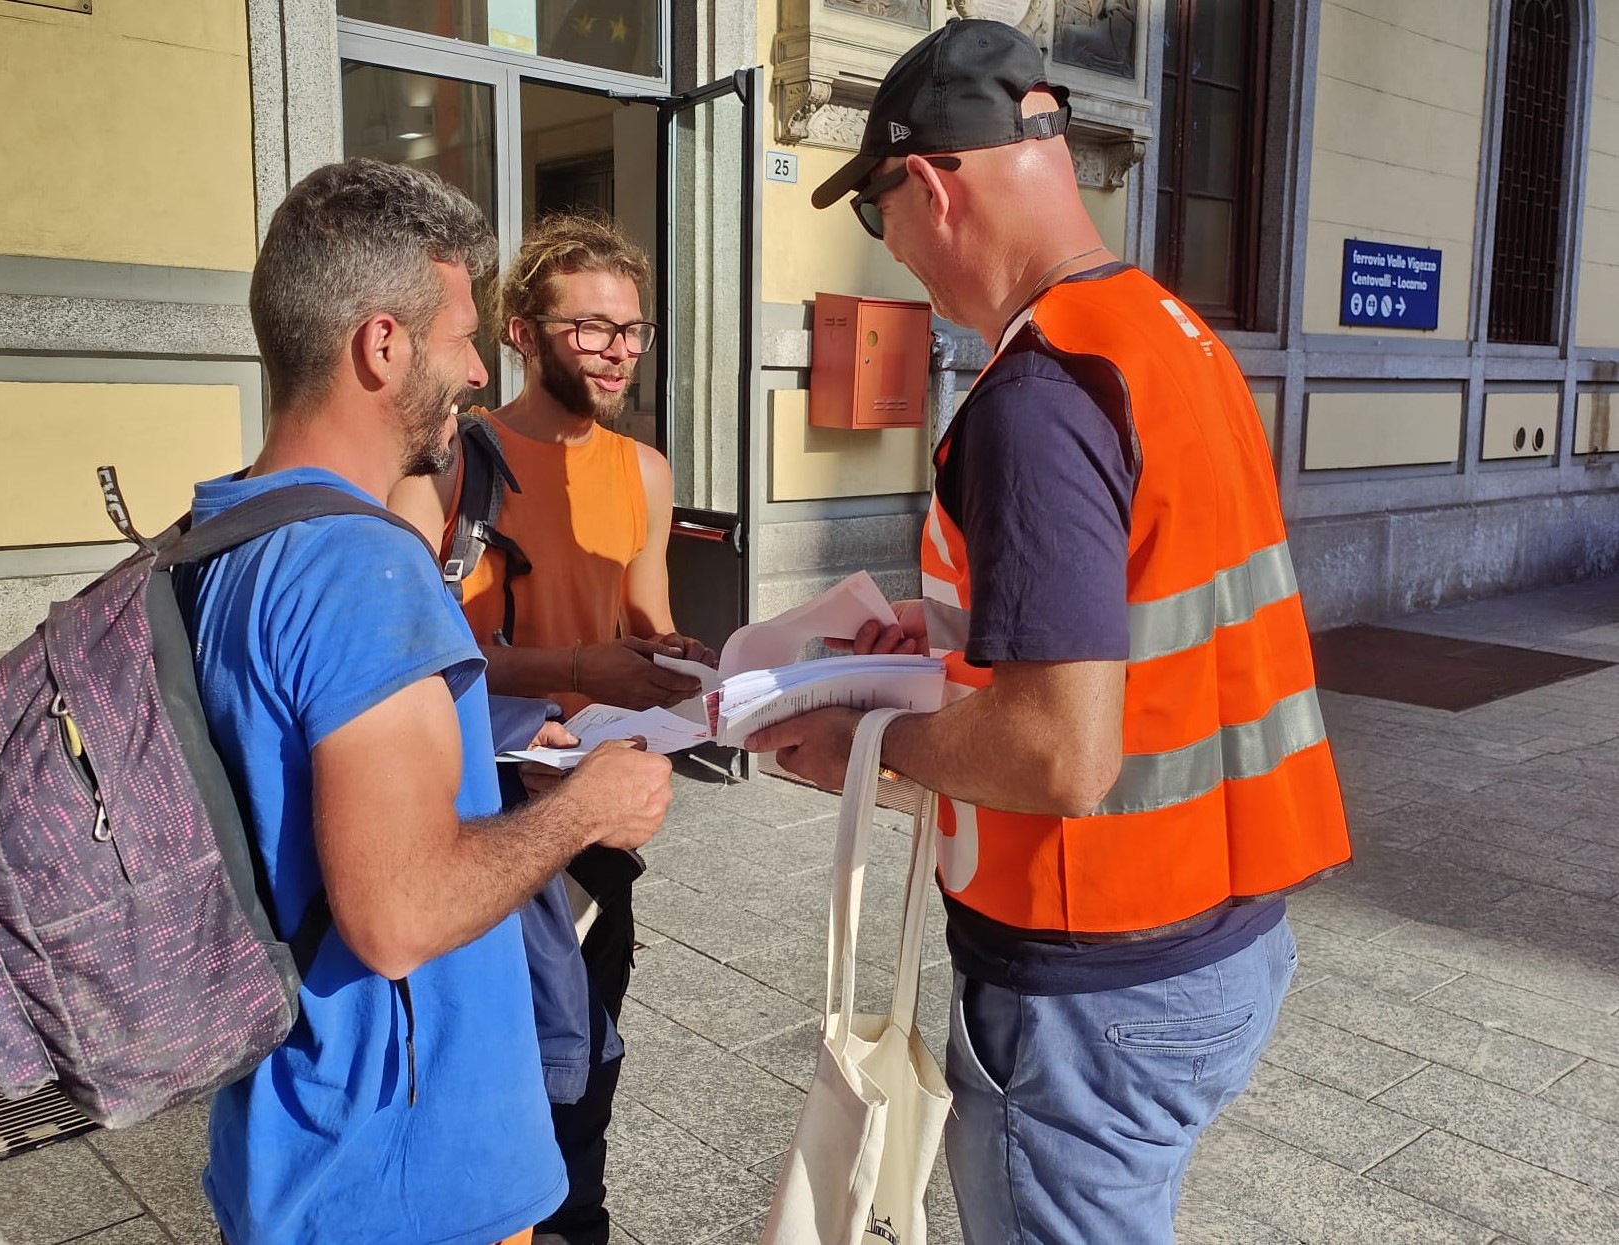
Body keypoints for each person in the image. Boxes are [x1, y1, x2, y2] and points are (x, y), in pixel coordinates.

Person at [749, 20, 1353, 1245]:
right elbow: (1144, 602)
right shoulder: (1167, 337)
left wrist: (857, 740)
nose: (889, 247)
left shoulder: (1035, 396)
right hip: (1224, 941)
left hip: (1095, 986)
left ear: (929, 185)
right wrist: (951, 628)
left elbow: (1059, 755)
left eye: (875, 211)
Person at [174, 158, 673, 1245]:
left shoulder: (223, 533)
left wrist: (508, 730)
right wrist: (587, 806)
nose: (477, 373)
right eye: (462, 339)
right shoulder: (366, 569)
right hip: (406, 1177)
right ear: (382, 346)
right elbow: (398, 914)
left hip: (292, 1139)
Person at [392, 213, 712, 1245]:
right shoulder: (450, 462)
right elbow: (409, 667)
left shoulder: (644, 471)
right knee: (490, 1084)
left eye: (632, 329)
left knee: (585, 1081)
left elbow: (646, 630)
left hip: (594, 823)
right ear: (523, 333)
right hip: (482, 818)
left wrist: (709, 673)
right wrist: (575, 668)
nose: (618, 351)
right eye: (592, 329)